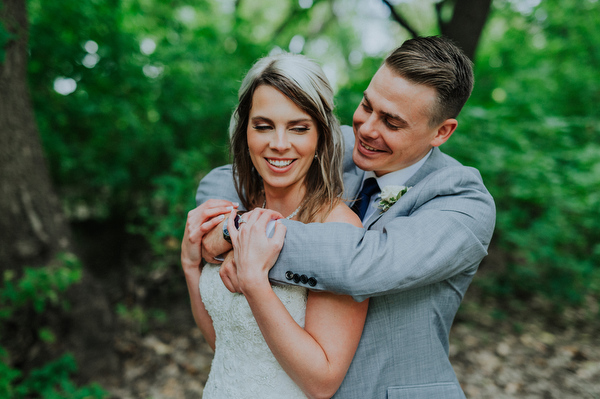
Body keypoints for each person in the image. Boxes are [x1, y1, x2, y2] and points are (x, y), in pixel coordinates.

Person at [197, 36, 496, 398]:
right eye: (367, 105)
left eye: (392, 122)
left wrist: (246, 238)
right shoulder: (344, 146)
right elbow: (230, 174)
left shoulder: (463, 204)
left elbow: (360, 265)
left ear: (441, 132)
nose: (367, 129)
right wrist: (225, 226)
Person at [181, 53, 368, 398]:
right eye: (263, 125)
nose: (279, 144)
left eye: (298, 128)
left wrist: (254, 283)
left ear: (320, 138)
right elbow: (223, 344)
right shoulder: (235, 214)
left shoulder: (338, 228)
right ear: (244, 133)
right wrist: (191, 266)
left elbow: (322, 382)